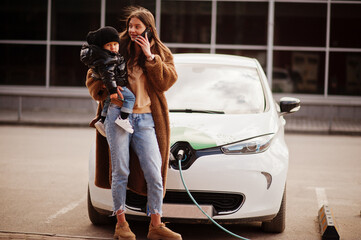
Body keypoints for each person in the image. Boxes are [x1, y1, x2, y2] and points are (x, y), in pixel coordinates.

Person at [85, 6, 181, 240]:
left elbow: (166, 82)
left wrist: (150, 57)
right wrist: (106, 91)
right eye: (130, 26)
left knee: (155, 172)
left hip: (147, 118)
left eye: (137, 26)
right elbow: (92, 74)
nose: (132, 30)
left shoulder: (160, 51)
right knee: (121, 170)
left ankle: (156, 226)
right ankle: (121, 225)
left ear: (148, 28)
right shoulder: (117, 45)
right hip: (118, 116)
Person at [81, 26, 135, 136]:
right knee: (130, 97)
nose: (113, 47)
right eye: (109, 45)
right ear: (102, 47)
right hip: (115, 87)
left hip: (113, 86)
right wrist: (113, 89)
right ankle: (123, 118)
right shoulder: (107, 59)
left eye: (115, 44)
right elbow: (108, 75)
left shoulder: (109, 57)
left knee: (107, 101)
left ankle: (102, 120)